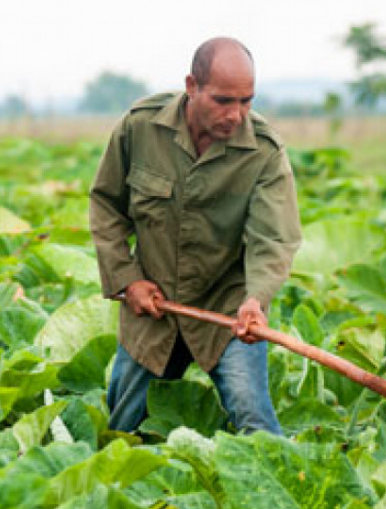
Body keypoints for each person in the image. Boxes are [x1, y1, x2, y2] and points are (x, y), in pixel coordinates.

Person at [89, 37, 302, 434]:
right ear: (192, 86)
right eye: (223, 101)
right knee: (124, 427)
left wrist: (256, 299)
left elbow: (273, 238)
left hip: (228, 308)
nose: (236, 115)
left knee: (252, 415)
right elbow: (106, 206)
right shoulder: (140, 128)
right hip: (154, 305)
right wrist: (127, 279)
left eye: (246, 101)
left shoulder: (265, 151)